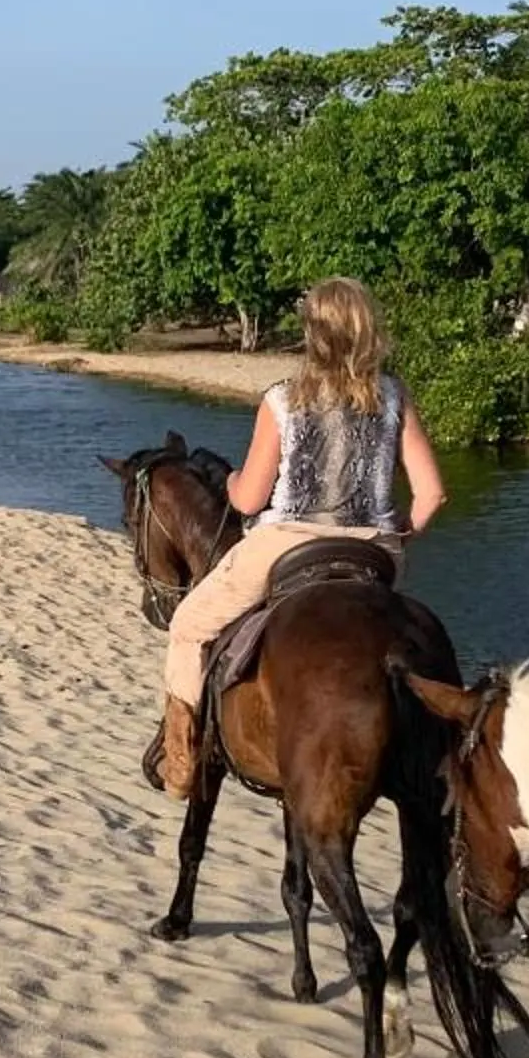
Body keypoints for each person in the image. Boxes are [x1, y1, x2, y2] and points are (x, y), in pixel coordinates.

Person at [153, 278, 446, 795]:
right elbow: (432, 496)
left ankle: (181, 761)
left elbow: (246, 501)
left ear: (312, 332)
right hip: (373, 549)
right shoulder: (395, 396)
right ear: (367, 330)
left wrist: (233, 482)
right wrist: (402, 534)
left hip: (287, 541)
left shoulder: (282, 400)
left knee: (188, 625)